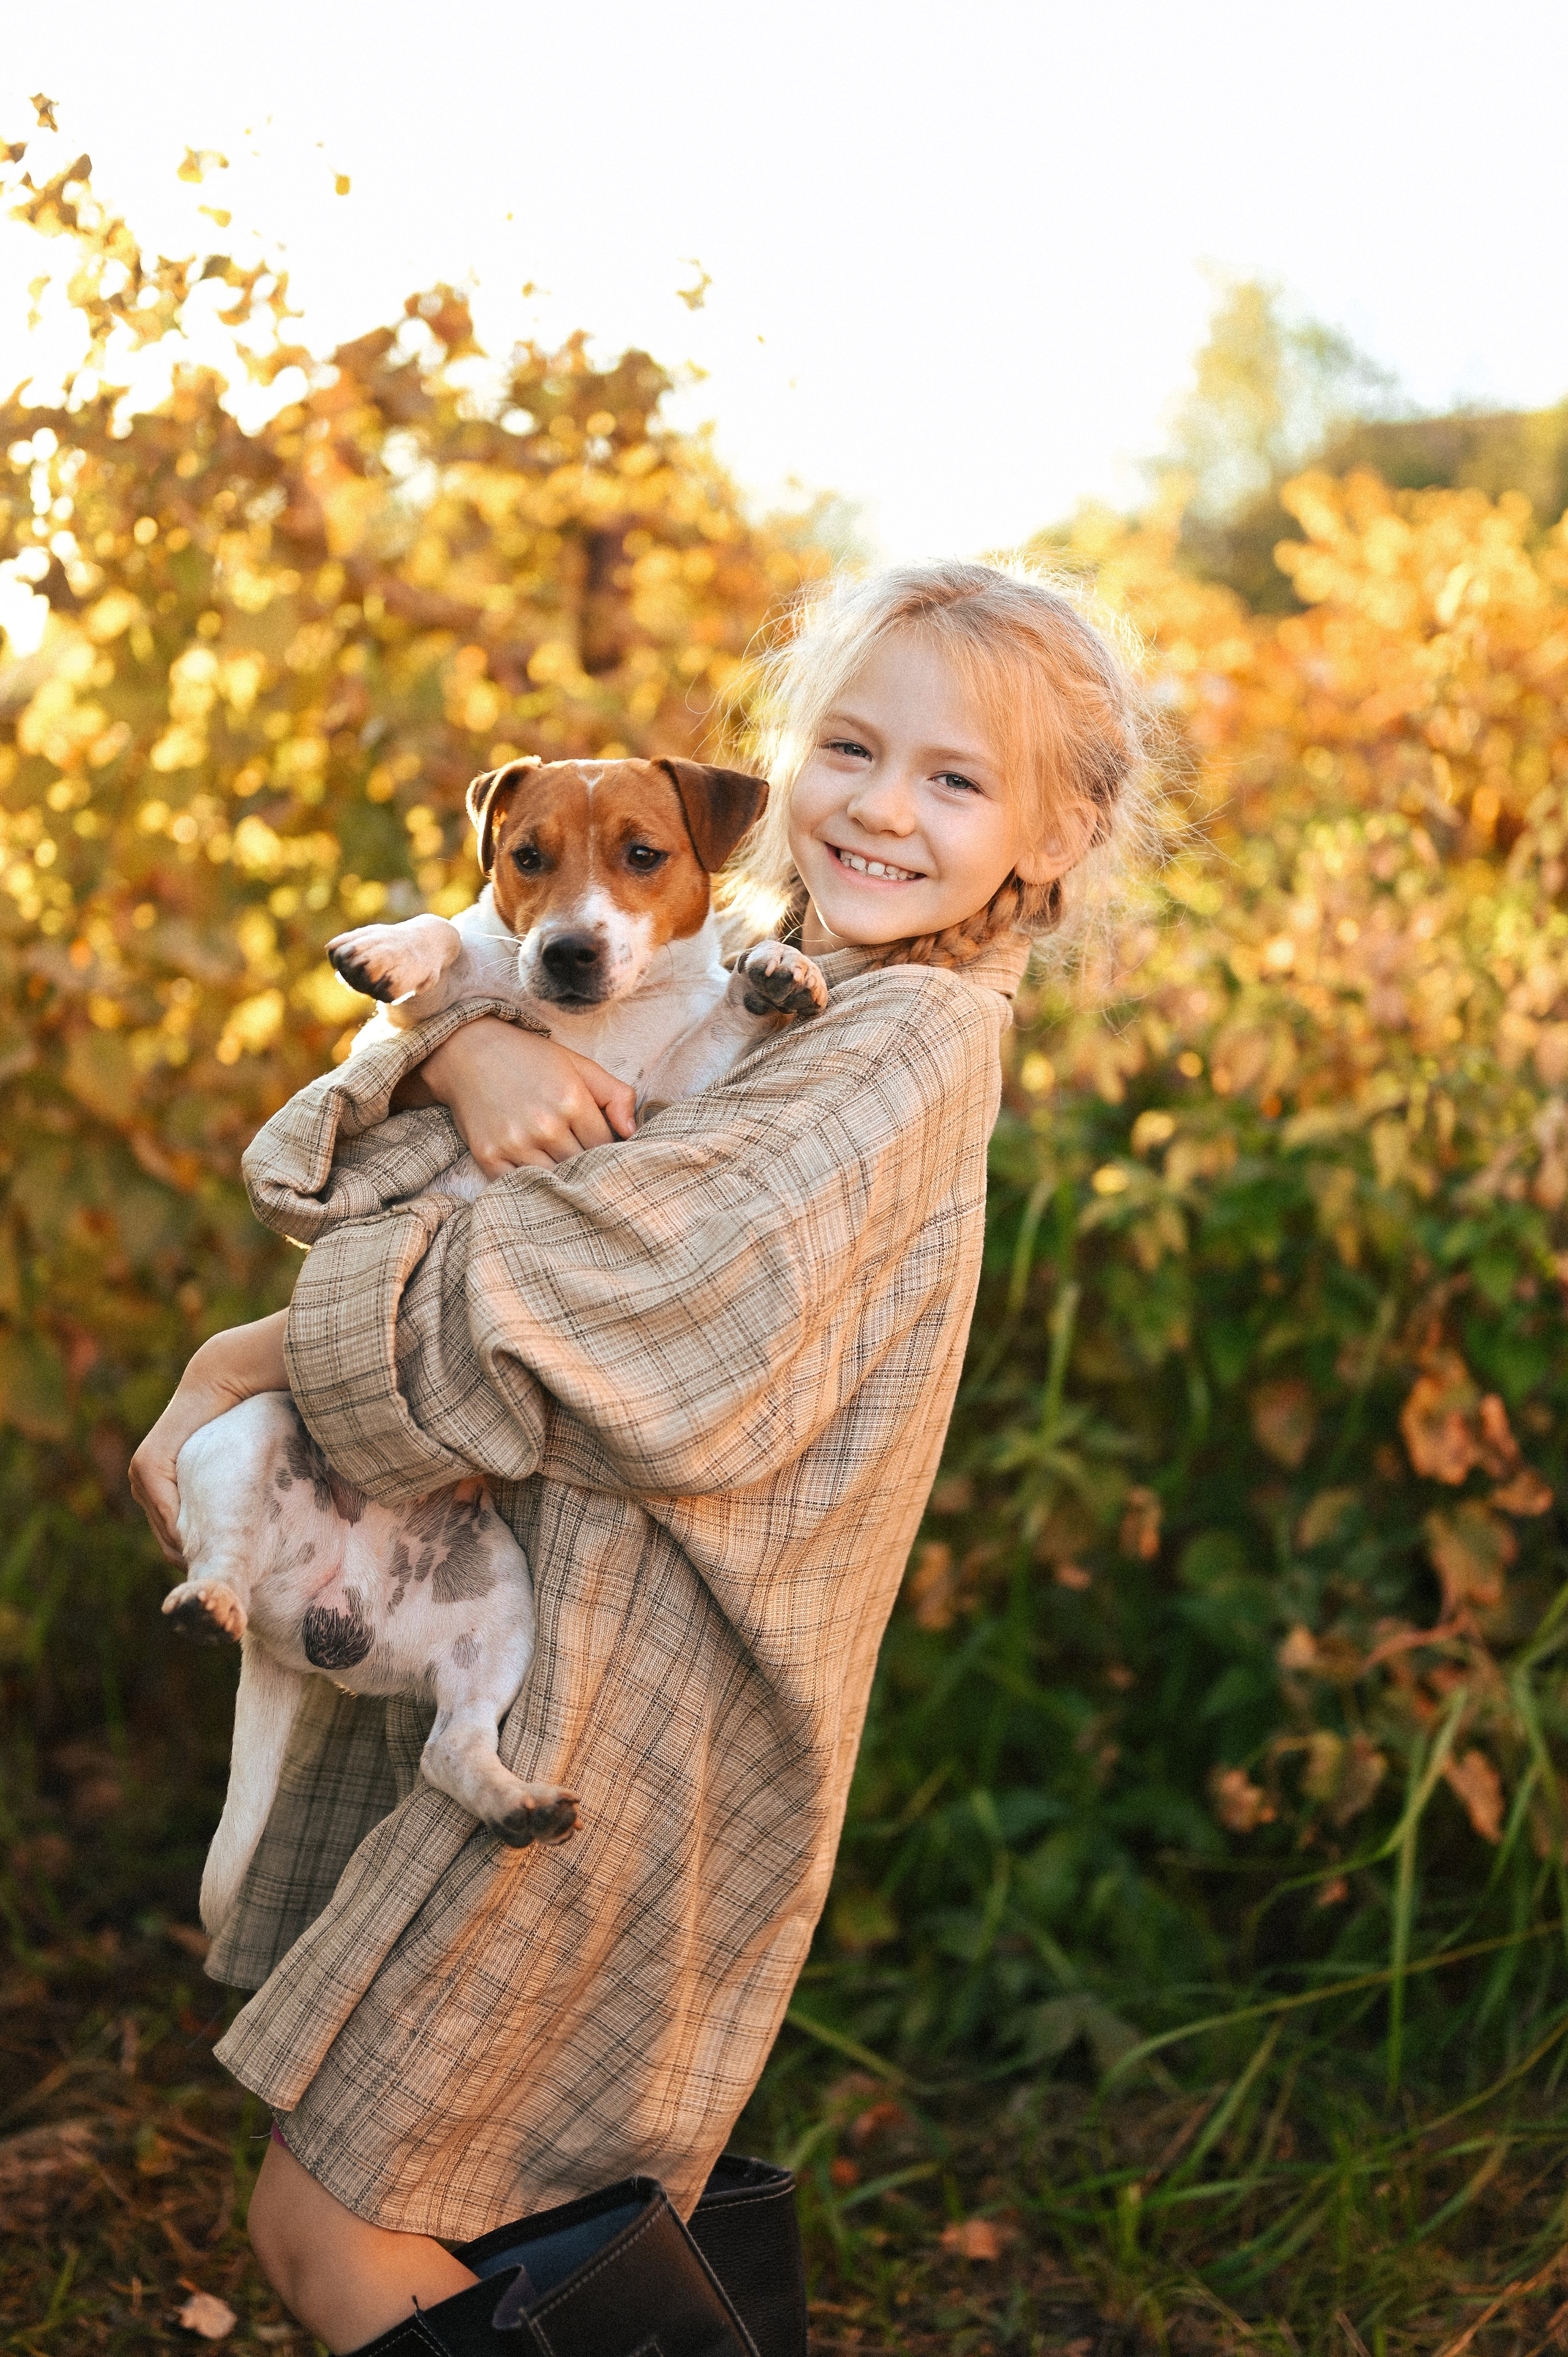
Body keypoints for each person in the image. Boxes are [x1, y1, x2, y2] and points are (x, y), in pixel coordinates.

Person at [129, 559, 1153, 2354]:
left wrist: (254, 1350)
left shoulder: (902, 1045)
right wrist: (458, 1060)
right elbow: (344, 1166)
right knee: (537, 2211)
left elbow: (605, 1302)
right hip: (567, 1678)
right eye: (852, 746)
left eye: (957, 779)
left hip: (630, 1720)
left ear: (1056, 837)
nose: (885, 806)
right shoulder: (769, 991)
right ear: (787, 759)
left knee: (332, 2230)